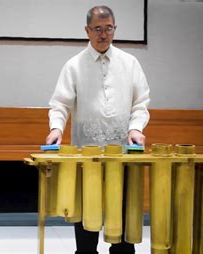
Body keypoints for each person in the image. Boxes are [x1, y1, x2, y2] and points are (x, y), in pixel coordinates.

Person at [45, 6, 150, 254]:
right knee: (87, 218)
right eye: (98, 29)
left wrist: (136, 128)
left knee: (123, 221)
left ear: (115, 29)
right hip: (87, 154)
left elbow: (141, 102)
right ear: (87, 31)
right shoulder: (73, 65)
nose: (103, 34)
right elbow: (60, 104)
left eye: (109, 28)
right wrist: (56, 128)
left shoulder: (130, 63)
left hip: (122, 154)